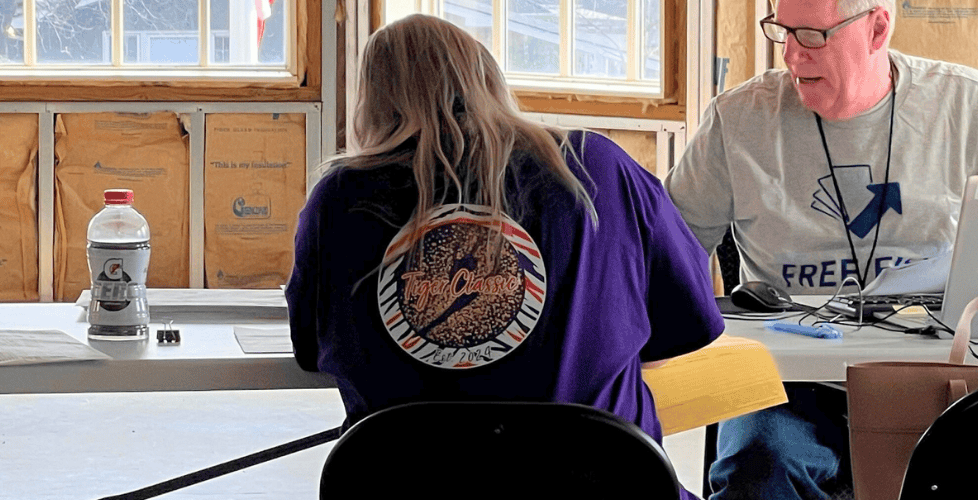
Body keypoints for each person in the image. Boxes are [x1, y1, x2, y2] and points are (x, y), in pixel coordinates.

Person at [286, 15, 723, 495]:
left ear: (371, 101)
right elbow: (693, 321)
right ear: (488, 78)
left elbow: (310, 347)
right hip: (600, 484)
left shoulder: (340, 198)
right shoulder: (594, 166)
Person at [665, 0, 978, 494]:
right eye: (783, 32)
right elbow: (663, 256)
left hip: (937, 381)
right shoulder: (738, 121)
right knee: (759, 467)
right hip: (789, 387)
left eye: (812, 36)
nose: (792, 57)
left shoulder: (975, 109)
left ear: (877, 28)